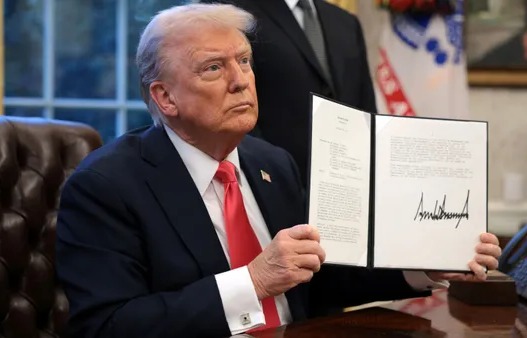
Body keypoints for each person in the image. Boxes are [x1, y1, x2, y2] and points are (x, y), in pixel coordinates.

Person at [55, 4, 502, 338]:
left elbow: (320, 277)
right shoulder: (106, 186)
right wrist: (253, 281)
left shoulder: (271, 163)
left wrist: (422, 266)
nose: (241, 80)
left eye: (244, 61)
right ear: (165, 98)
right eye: (214, 68)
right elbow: (107, 327)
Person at [198, 0, 377, 185]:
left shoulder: (345, 21)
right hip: (273, 184)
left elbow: (366, 107)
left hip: (349, 185)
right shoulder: (234, 10)